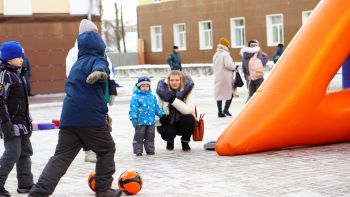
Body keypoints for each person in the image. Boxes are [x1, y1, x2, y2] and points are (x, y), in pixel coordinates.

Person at [29, 31, 121, 197]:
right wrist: (99, 73)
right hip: (90, 118)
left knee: (61, 157)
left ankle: (39, 192)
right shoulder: (99, 59)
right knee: (107, 149)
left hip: (69, 118)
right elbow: (99, 66)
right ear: (100, 46)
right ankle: (103, 189)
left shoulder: (76, 65)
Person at [66, 19, 117, 163]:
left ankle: (98, 146)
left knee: (103, 115)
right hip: (85, 91)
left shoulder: (100, 50)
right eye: (94, 32)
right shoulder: (74, 52)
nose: (97, 35)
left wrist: (112, 89)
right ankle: (89, 150)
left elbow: (109, 68)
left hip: (101, 88)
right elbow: (71, 74)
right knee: (89, 120)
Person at [0, 41, 34, 197]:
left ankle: (25, 184)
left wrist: (28, 120)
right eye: (18, 57)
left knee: (25, 152)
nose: (22, 59)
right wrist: (5, 122)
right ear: (8, 58)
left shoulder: (17, 74)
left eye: (22, 56)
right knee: (13, 152)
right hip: (9, 122)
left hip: (21, 122)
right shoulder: (4, 75)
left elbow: (22, 102)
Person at [156, 70, 195, 151]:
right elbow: (157, 108)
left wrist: (173, 99)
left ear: (181, 81)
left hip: (183, 121)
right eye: (172, 80)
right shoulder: (162, 92)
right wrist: (161, 117)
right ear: (168, 81)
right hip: (168, 121)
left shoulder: (188, 91)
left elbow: (189, 111)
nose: (174, 82)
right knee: (167, 133)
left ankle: (185, 141)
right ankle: (170, 141)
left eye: (177, 80)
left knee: (190, 119)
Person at [129, 76, 164, 156]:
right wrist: (133, 116)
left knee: (150, 136)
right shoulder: (136, 97)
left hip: (151, 121)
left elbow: (156, 107)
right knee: (139, 136)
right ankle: (138, 150)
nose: (145, 88)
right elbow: (133, 108)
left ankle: (150, 149)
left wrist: (161, 113)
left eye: (147, 86)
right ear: (139, 86)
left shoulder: (152, 97)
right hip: (140, 121)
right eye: (143, 86)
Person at [213, 38, 236, 118]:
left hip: (218, 76)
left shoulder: (216, 54)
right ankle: (225, 109)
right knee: (230, 93)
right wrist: (234, 67)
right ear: (226, 45)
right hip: (226, 77)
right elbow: (228, 65)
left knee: (219, 94)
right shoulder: (225, 54)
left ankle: (220, 112)